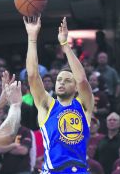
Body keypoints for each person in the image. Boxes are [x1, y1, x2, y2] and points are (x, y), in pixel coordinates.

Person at [23, 16, 94, 174]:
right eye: (59, 80)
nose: (61, 83)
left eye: (67, 80)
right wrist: (32, 37)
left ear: (75, 87)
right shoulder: (47, 105)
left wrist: (65, 45)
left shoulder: (83, 105)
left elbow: (82, 79)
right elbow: (33, 75)